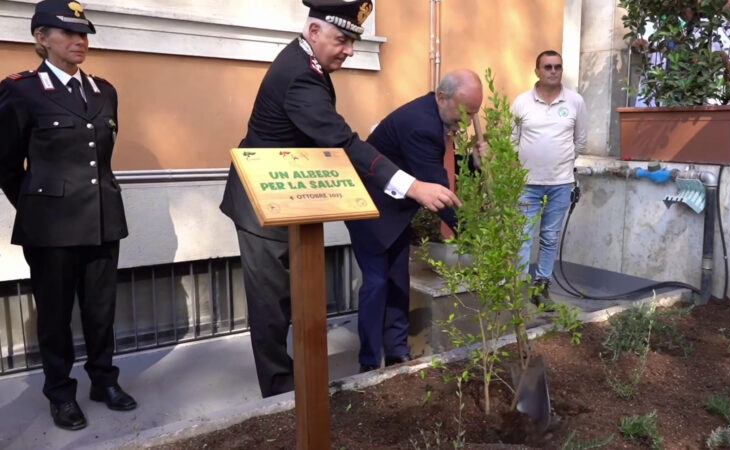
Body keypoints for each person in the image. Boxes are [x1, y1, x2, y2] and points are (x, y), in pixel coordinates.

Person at [219, 0, 461, 398]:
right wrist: (413, 186)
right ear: (314, 32)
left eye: (353, 41)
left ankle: (299, 380)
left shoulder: (310, 67)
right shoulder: (299, 76)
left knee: (293, 295)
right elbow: (341, 141)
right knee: (271, 305)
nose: (349, 50)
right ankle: (280, 393)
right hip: (261, 201)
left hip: (290, 195)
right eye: (342, 39)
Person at [0, 0, 136, 431]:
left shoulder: (104, 90)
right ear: (41, 38)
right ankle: (60, 393)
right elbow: (5, 164)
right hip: (52, 228)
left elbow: (101, 160)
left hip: (101, 219)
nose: (80, 41)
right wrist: (40, 208)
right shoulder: (21, 90)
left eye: (85, 34)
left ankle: (103, 381)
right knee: (55, 316)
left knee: (101, 310)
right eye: (68, 33)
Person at [345, 70, 484, 372]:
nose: (466, 120)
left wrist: (472, 163)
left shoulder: (436, 117)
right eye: (463, 112)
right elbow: (436, 187)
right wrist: (473, 237)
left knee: (398, 280)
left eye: (472, 113)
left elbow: (438, 168)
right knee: (377, 282)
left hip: (395, 210)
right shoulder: (421, 125)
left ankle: (396, 352)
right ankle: (369, 363)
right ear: (442, 97)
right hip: (369, 209)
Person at [512, 50, 587, 308]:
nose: (553, 71)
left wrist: (560, 163)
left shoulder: (575, 102)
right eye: (547, 67)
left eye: (557, 67)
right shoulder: (521, 103)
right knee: (523, 235)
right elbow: (512, 141)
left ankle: (541, 287)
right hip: (527, 183)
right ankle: (518, 288)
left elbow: (581, 141)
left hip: (561, 183)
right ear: (537, 71)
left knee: (550, 237)